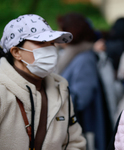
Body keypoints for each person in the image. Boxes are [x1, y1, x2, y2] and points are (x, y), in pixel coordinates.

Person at [0, 14, 86, 150]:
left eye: (52, 43)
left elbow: (74, 142)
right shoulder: (2, 90)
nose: (51, 49)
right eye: (41, 42)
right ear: (17, 52)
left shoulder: (61, 89)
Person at [56, 13, 112, 150]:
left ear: (72, 33)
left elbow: (81, 98)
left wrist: (53, 96)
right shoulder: (74, 55)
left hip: (84, 129)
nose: (58, 34)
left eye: (61, 30)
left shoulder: (84, 59)